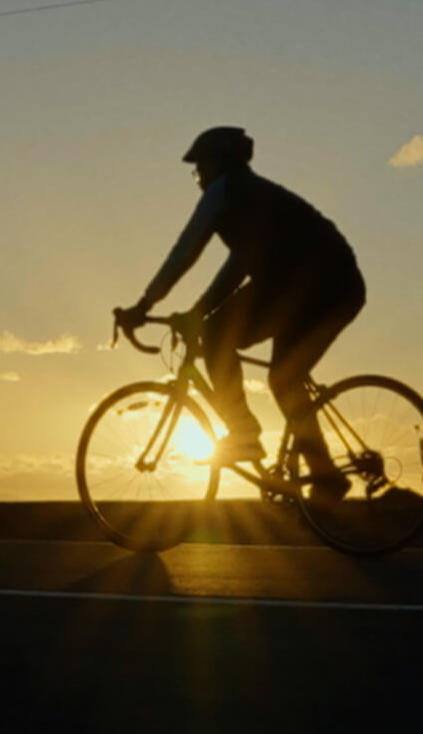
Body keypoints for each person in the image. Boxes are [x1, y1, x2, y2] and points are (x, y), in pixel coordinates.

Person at [113, 126, 365, 498]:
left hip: (313, 287)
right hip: (327, 287)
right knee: (283, 378)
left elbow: (185, 252)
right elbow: (238, 268)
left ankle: (244, 433)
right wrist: (197, 311)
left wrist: (144, 306)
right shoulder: (256, 201)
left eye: (199, 170)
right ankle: (326, 475)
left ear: (216, 164)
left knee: (222, 339)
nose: (198, 180)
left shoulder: (226, 191)